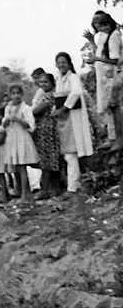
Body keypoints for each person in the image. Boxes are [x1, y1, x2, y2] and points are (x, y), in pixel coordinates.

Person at [54, 51, 93, 193]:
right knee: (69, 154)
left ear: (69, 63)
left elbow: (76, 93)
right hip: (64, 119)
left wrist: (64, 108)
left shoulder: (73, 77)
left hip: (73, 116)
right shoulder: (59, 80)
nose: (61, 65)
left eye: (63, 62)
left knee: (72, 153)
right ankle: (74, 185)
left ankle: (73, 186)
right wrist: (56, 110)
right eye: (59, 63)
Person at [89, 11, 122, 150]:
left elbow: (114, 60)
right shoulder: (103, 37)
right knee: (107, 109)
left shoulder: (114, 35)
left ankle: (118, 140)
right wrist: (91, 41)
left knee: (113, 107)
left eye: (102, 24)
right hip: (104, 78)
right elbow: (100, 53)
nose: (101, 28)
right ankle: (112, 138)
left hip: (113, 77)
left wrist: (96, 59)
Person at [1, 83, 38, 204]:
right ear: (10, 95)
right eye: (13, 93)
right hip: (12, 138)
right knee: (15, 166)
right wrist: (6, 120)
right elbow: (4, 124)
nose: (16, 96)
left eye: (18, 93)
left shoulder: (26, 108)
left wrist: (18, 120)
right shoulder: (8, 107)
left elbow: (30, 125)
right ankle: (18, 190)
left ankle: (24, 194)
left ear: (22, 95)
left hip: (22, 138)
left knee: (22, 166)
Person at [30, 69, 64, 198]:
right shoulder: (50, 94)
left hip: (48, 130)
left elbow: (34, 112)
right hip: (47, 129)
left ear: (51, 83)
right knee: (53, 159)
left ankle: (45, 190)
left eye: (45, 82)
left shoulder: (49, 96)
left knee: (47, 160)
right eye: (41, 82)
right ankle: (55, 189)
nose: (42, 84)